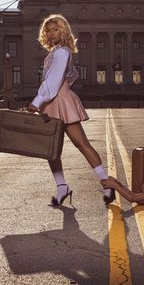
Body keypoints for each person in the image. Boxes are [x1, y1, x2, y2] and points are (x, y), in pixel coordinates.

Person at [24, 14, 115, 206]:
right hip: (53, 102)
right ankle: (62, 187)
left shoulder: (62, 52)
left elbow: (53, 81)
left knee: (81, 143)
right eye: (48, 30)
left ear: (63, 30)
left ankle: (107, 183)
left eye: (55, 29)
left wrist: (37, 101)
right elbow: (68, 76)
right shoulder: (57, 52)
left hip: (58, 101)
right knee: (52, 150)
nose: (51, 33)